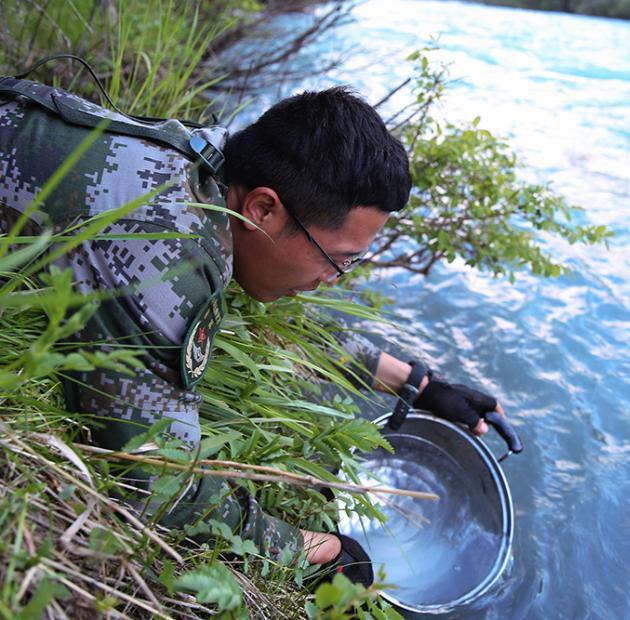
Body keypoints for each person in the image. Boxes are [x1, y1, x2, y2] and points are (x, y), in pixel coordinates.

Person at [0, 79, 507, 586]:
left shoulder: (216, 159)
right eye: (337, 261)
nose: (329, 281)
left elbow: (286, 324)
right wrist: (322, 549)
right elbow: (160, 488)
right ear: (263, 209)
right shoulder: (160, 247)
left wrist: (416, 383)